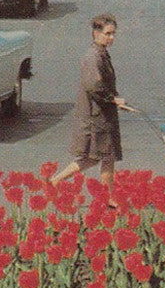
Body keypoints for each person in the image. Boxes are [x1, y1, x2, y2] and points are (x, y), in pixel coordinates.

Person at [50, 14, 127, 205]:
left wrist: (116, 101)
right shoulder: (93, 57)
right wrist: (113, 100)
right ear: (96, 33)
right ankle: (108, 198)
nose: (111, 38)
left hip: (102, 113)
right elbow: (94, 86)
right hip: (97, 115)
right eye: (107, 33)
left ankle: (56, 181)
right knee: (102, 156)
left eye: (113, 34)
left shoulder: (101, 54)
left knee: (99, 157)